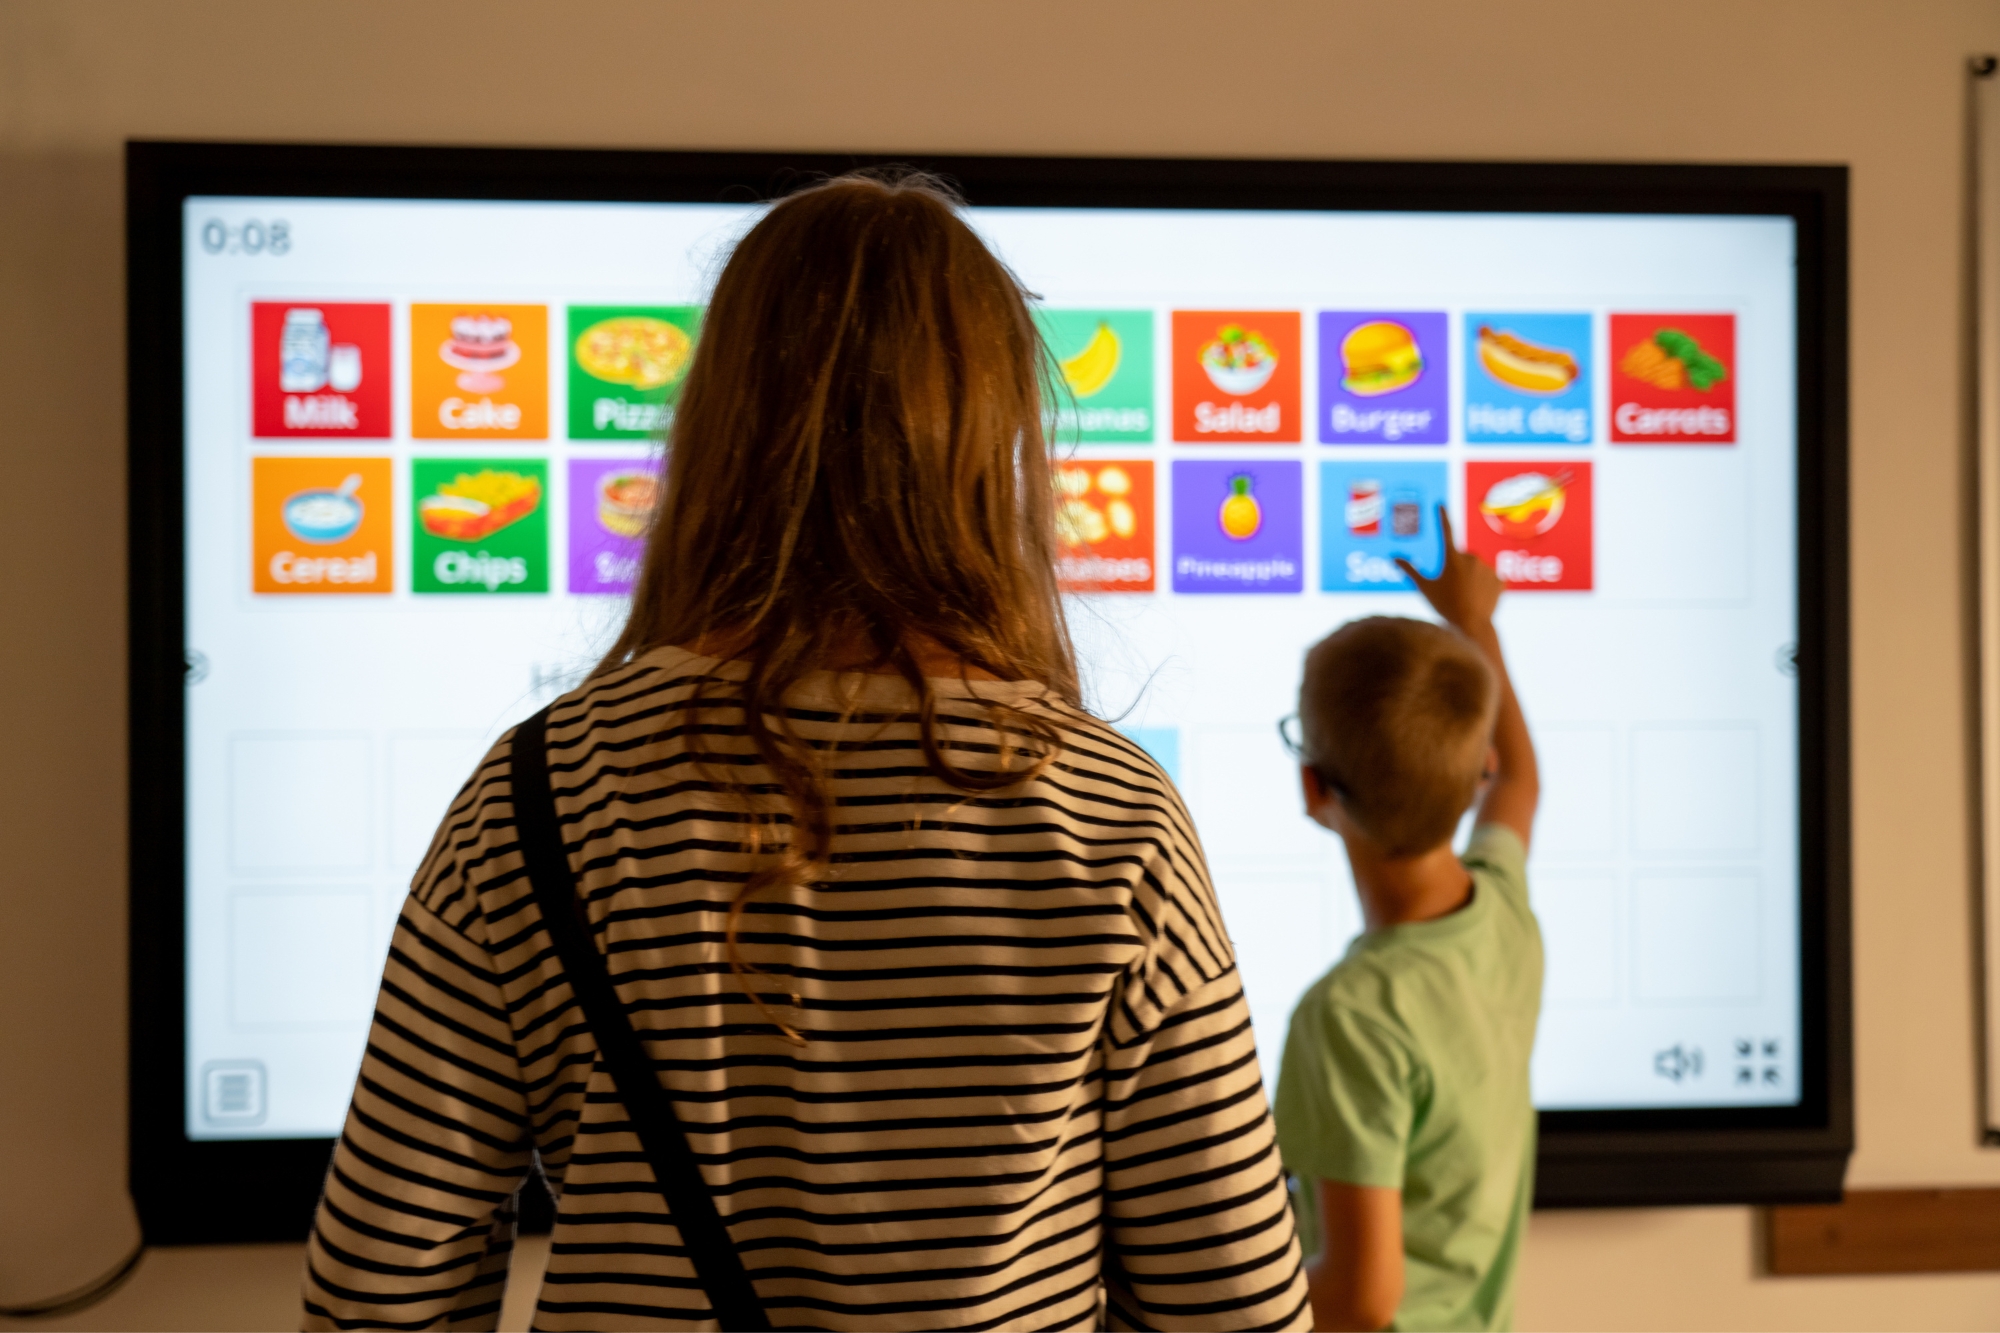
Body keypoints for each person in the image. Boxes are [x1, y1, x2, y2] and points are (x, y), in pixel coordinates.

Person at [303, 173, 1310, 1332]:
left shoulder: (535, 795)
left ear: (722, 428)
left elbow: (376, 1292)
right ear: (991, 451)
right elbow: (1233, 1309)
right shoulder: (1106, 816)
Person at [1273, 515, 1543, 1332]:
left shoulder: (1352, 1016)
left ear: (1316, 788)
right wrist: (1476, 623)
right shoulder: (1501, 914)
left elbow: (1362, 1298)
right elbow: (1522, 783)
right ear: (1476, 768)